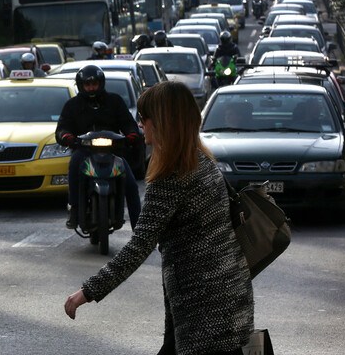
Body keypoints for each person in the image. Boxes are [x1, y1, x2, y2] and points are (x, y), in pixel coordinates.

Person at [64, 81, 254, 355]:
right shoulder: (203, 162)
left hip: (203, 309)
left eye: (144, 118)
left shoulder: (171, 177)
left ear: (162, 122)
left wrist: (87, 292)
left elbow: (139, 245)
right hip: (228, 295)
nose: (140, 125)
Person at [55, 65, 141, 230]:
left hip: (113, 152)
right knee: (74, 165)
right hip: (84, 151)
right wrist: (67, 137)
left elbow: (129, 123)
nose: (91, 88)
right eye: (87, 84)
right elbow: (62, 128)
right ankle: (74, 210)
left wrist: (132, 135)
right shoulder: (72, 105)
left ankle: (139, 228)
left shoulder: (115, 101)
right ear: (81, 86)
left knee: (131, 184)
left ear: (101, 84)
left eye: (94, 84)